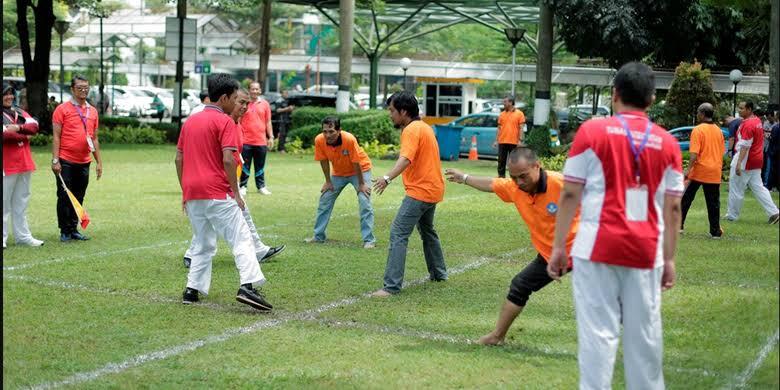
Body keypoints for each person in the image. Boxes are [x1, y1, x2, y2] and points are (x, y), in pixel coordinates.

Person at [548, 62, 683, 390]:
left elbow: (569, 192)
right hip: (646, 250)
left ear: (615, 94)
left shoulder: (591, 132)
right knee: (645, 338)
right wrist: (670, 259)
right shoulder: (667, 143)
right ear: (652, 100)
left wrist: (557, 248)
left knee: (597, 336)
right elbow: (674, 205)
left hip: (595, 247)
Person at [443, 147, 579, 346]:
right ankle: (497, 336)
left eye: (523, 176)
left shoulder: (561, 183)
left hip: (581, 250)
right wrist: (464, 177)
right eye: (514, 178)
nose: (520, 182)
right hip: (550, 254)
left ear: (537, 166)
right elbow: (491, 183)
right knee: (520, 285)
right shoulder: (515, 187)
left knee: (602, 300)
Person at [175, 73, 273, 311]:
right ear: (225, 97)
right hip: (218, 192)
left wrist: (185, 191)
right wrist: (236, 193)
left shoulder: (190, 121)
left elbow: (179, 159)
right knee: (242, 239)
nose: (238, 103)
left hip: (193, 192)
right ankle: (248, 286)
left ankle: (192, 290)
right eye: (235, 98)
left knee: (203, 243)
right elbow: (229, 160)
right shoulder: (225, 122)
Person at [181, 88, 286, 269]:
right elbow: (220, 157)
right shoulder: (224, 122)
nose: (245, 107)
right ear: (229, 101)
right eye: (241, 102)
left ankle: (258, 250)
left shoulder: (236, 123)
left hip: (226, 180)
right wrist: (233, 188)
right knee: (215, 219)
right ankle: (193, 256)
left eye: (247, 103)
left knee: (233, 214)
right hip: (218, 182)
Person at [372, 91, 447, 297]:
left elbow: (406, 159)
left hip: (420, 191)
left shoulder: (412, 130)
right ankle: (439, 273)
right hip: (433, 189)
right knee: (427, 230)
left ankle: (391, 286)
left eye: (392, 110)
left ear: (403, 111)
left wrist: (386, 178)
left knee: (398, 233)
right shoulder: (424, 127)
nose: (390, 115)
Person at [304, 116, 375, 248]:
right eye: (325, 131)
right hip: (339, 173)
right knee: (325, 199)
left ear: (339, 130)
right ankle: (318, 236)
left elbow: (356, 162)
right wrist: (328, 181)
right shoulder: (320, 140)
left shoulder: (349, 139)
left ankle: (369, 240)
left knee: (364, 201)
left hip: (360, 171)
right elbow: (323, 161)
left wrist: (361, 184)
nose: (327, 135)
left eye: (331, 131)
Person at [51, 75, 103, 242]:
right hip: (65, 160)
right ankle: (64, 230)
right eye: (80, 87)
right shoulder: (62, 109)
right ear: (72, 89)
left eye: (86, 87)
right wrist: (55, 160)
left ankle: (73, 228)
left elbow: (94, 138)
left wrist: (99, 162)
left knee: (79, 196)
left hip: (84, 161)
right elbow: (56, 136)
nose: (83, 90)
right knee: (64, 196)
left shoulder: (92, 111)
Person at [724, 101, 780, 224]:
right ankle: (774, 212)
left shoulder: (749, 124)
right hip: (756, 159)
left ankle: (732, 215)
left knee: (736, 188)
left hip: (745, 160)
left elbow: (745, 146)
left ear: (749, 109)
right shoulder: (757, 121)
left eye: (742, 108)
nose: (739, 110)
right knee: (759, 188)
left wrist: (738, 163)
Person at [3, 82, 43, 249]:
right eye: (5, 94)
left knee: (21, 202)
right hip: (7, 164)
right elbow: (4, 135)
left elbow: (35, 127)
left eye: (11, 93)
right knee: (4, 203)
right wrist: (23, 134)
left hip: (24, 163)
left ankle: (23, 236)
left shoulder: (19, 111)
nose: (9, 97)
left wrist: (18, 128)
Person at [681, 102, 725, 238]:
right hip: (714, 171)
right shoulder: (719, 131)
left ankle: (678, 225)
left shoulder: (698, 130)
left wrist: (687, 170)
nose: (697, 114)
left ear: (702, 113)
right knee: (713, 203)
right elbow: (721, 152)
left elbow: (694, 154)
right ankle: (715, 231)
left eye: (698, 112)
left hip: (700, 170)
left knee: (686, 198)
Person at [239, 82, 274, 195]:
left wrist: (271, 137)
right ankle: (243, 186)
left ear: (260, 90)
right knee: (245, 165)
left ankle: (261, 187)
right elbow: (238, 120)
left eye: (256, 89)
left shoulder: (265, 104)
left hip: (260, 141)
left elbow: (268, 122)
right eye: (252, 89)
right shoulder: (244, 104)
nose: (254, 91)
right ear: (249, 90)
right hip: (245, 141)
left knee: (260, 166)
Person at [493, 95, 526, 177]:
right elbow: (499, 128)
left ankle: (514, 178)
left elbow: (521, 128)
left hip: (514, 142)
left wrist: (520, 140)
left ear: (511, 103)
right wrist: (496, 140)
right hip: (502, 141)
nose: (503, 103)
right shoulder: (502, 114)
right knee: (501, 161)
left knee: (514, 162)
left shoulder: (519, 114)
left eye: (505, 101)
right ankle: (501, 178)